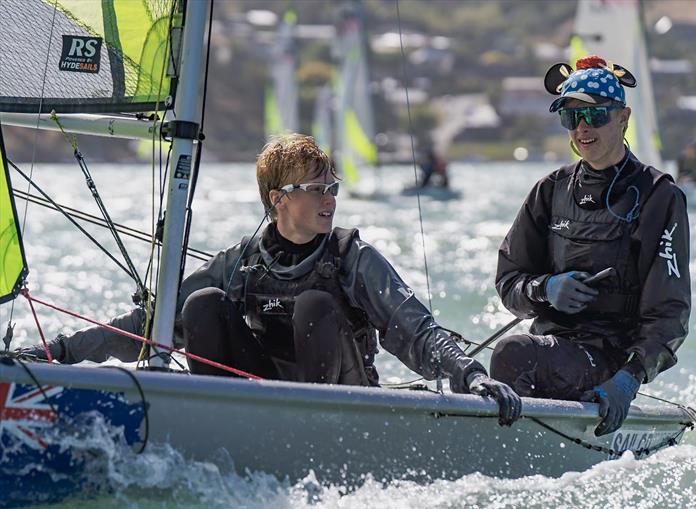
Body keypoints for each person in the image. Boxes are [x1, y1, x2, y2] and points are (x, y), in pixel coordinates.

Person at [17, 134, 521, 426]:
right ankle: (218, 419)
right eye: (316, 188)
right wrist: (56, 352)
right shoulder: (242, 260)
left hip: (340, 411)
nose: (330, 198)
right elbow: (149, 322)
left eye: (332, 187)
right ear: (277, 199)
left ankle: (311, 424)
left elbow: (417, 328)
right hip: (258, 406)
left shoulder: (352, 255)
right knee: (201, 304)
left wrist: (472, 375)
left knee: (315, 306)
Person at [489, 56, 691, 436]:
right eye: (571, 117)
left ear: (623, 118)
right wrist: (545, 289)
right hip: (551, 351)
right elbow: (509, 281)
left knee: (512, 353)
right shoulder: (550, 190)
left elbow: (670, 313)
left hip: (611, 363)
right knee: (476, 377)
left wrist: (629, 380)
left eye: (595, 115)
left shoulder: (658, 196)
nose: (583, 128)